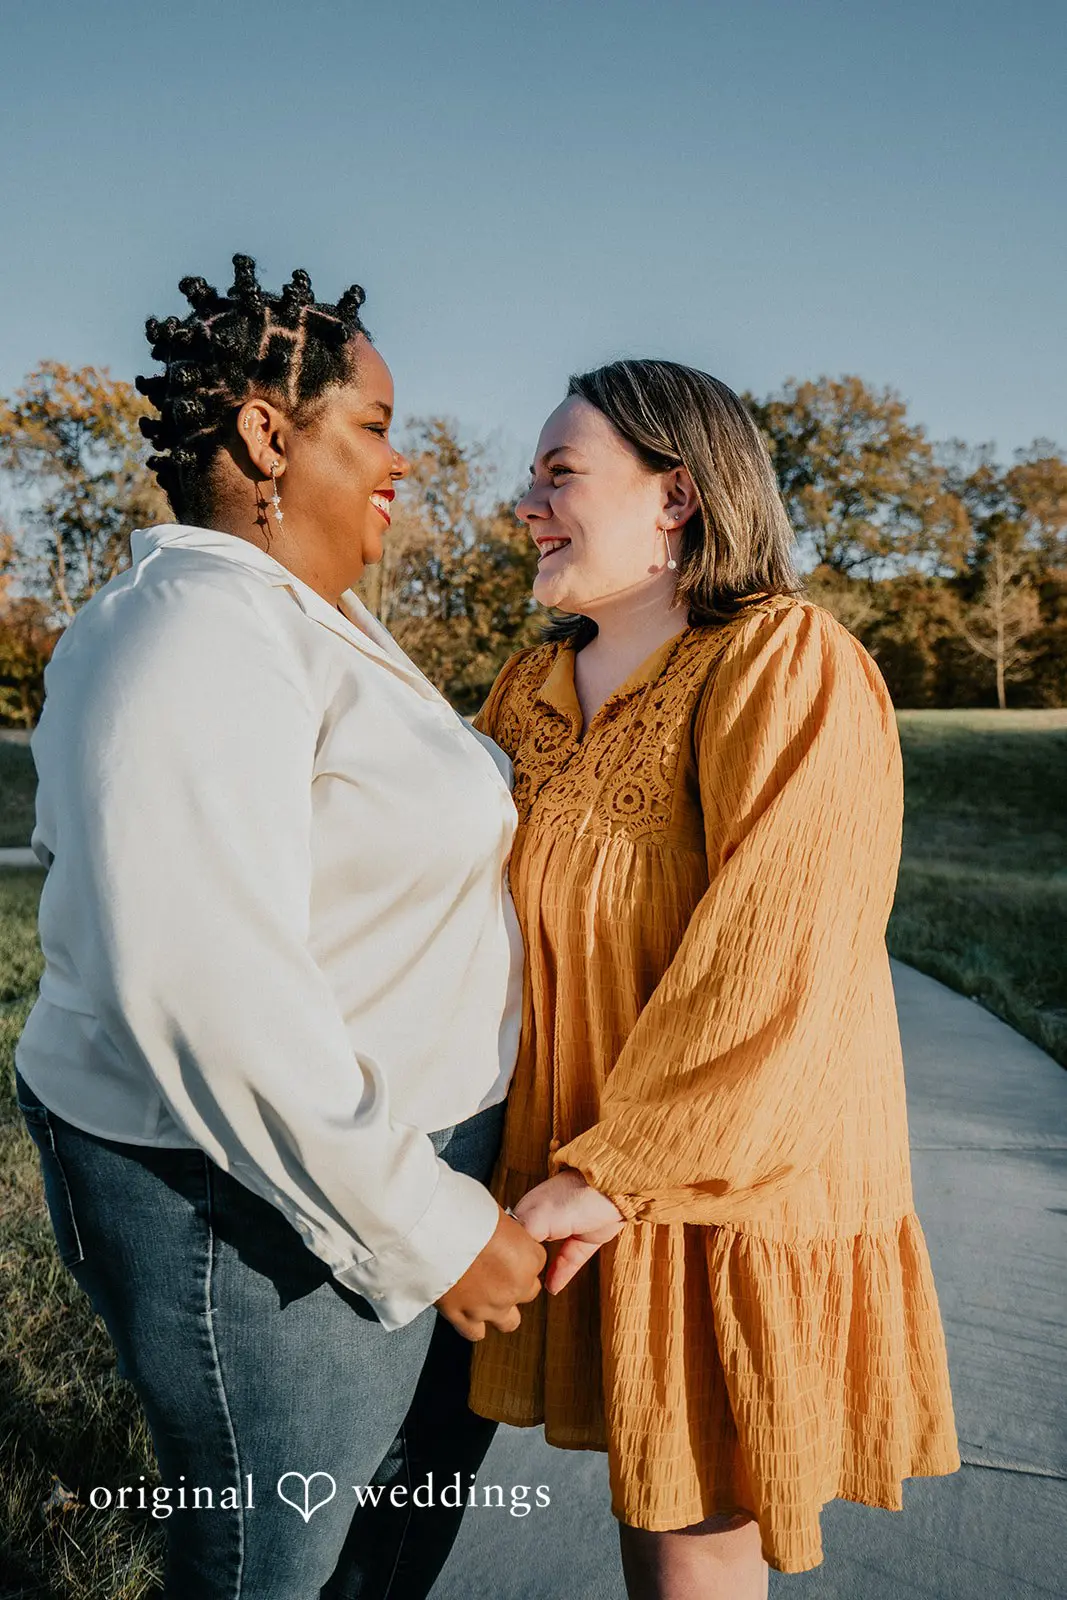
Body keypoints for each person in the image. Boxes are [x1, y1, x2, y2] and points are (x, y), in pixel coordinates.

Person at [14, 255, 544, 1600]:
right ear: (267, 432)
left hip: (394, 1158)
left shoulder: (312, 625)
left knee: (381, 1540)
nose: (400, 462)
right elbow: (205, 992)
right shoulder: (189, 635)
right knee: (271, 1563)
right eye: (373, 424)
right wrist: (429, 1227)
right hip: (257, 1199)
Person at [468, 359, 960, 1598]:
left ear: (676, 495)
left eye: (560, 473)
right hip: (584, 1173)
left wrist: (612, 1173)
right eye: (530, 476)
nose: (525, 503)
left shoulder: (780, 661)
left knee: (695, 1529)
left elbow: (779, 953)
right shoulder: (524, 689)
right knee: (648, 1495)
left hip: (730, 1173)